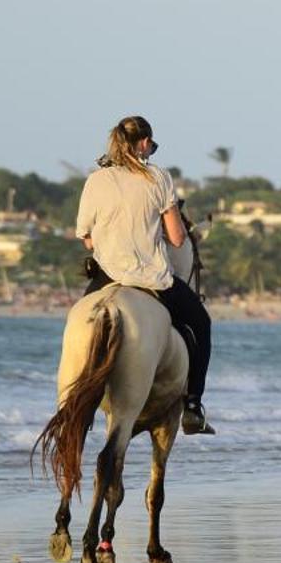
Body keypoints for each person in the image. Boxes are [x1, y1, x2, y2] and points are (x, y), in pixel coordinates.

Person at [76, 116, 216, 434]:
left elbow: (87, 238)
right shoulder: (158, 177)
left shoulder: (95, 181)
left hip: (107, 276)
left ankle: (72, 392)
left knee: (80, 322)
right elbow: (178, 239)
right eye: (151, 145)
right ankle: (193, 407)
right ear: (143, 143)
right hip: (150, 277)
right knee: (202, 324)